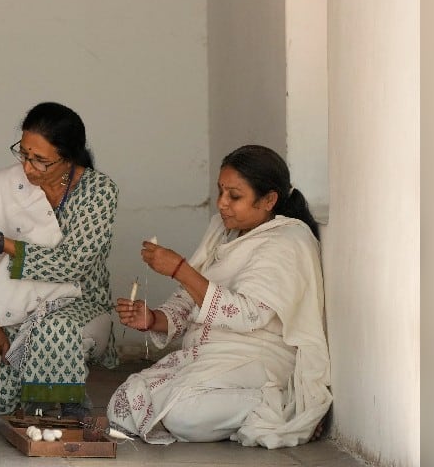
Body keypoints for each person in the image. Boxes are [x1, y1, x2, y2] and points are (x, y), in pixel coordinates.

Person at [108, 145, 331, 448]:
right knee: (121, 407)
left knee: (183, 416)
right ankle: (223, 415)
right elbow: (193, 296)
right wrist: (154, 319)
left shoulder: (289, 241)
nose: (222, 204)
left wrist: (179, 269)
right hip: (211, 355)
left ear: (269, 200)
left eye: (234, 196)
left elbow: (248, 314)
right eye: (221, 192)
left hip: (257, 359)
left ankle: (276, 406)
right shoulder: (222, 229)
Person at [0, 102, 120, 422]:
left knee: (51, 328)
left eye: (40, 160)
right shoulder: (4, 184)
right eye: (24, 154)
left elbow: (70, 265)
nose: (27, 168)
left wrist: (1, 242)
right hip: (4, 309)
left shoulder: (98, 191)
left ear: (68, 159)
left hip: (76, 304)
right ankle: (25, 390)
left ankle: (63, 405)